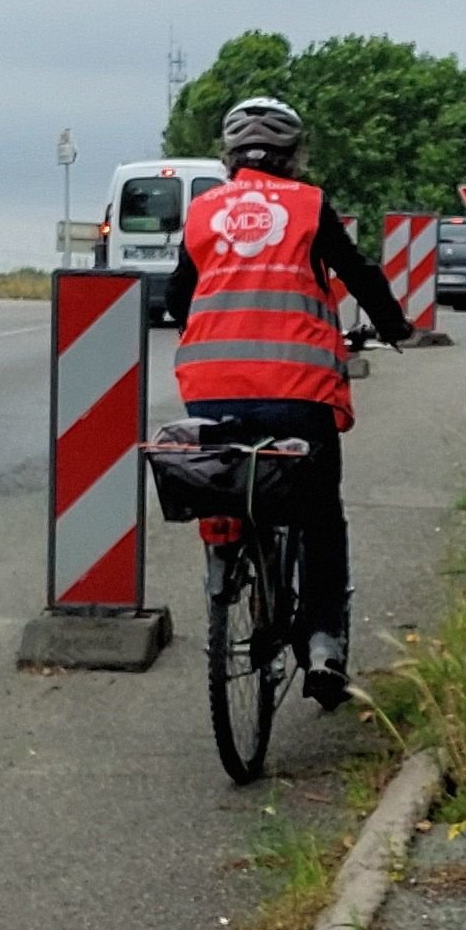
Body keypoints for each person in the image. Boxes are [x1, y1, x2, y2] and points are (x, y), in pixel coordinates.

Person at [171, 94, 434, 705]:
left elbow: (176, 300)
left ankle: (230, 566)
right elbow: (360, 273)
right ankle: (322, 645)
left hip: (210, 393)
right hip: (297, 394)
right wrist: (396, 329)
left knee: (232, 494)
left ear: (230, 156)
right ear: (294, 157)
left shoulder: (204, 211)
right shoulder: (310, 206)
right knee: (318, 515)